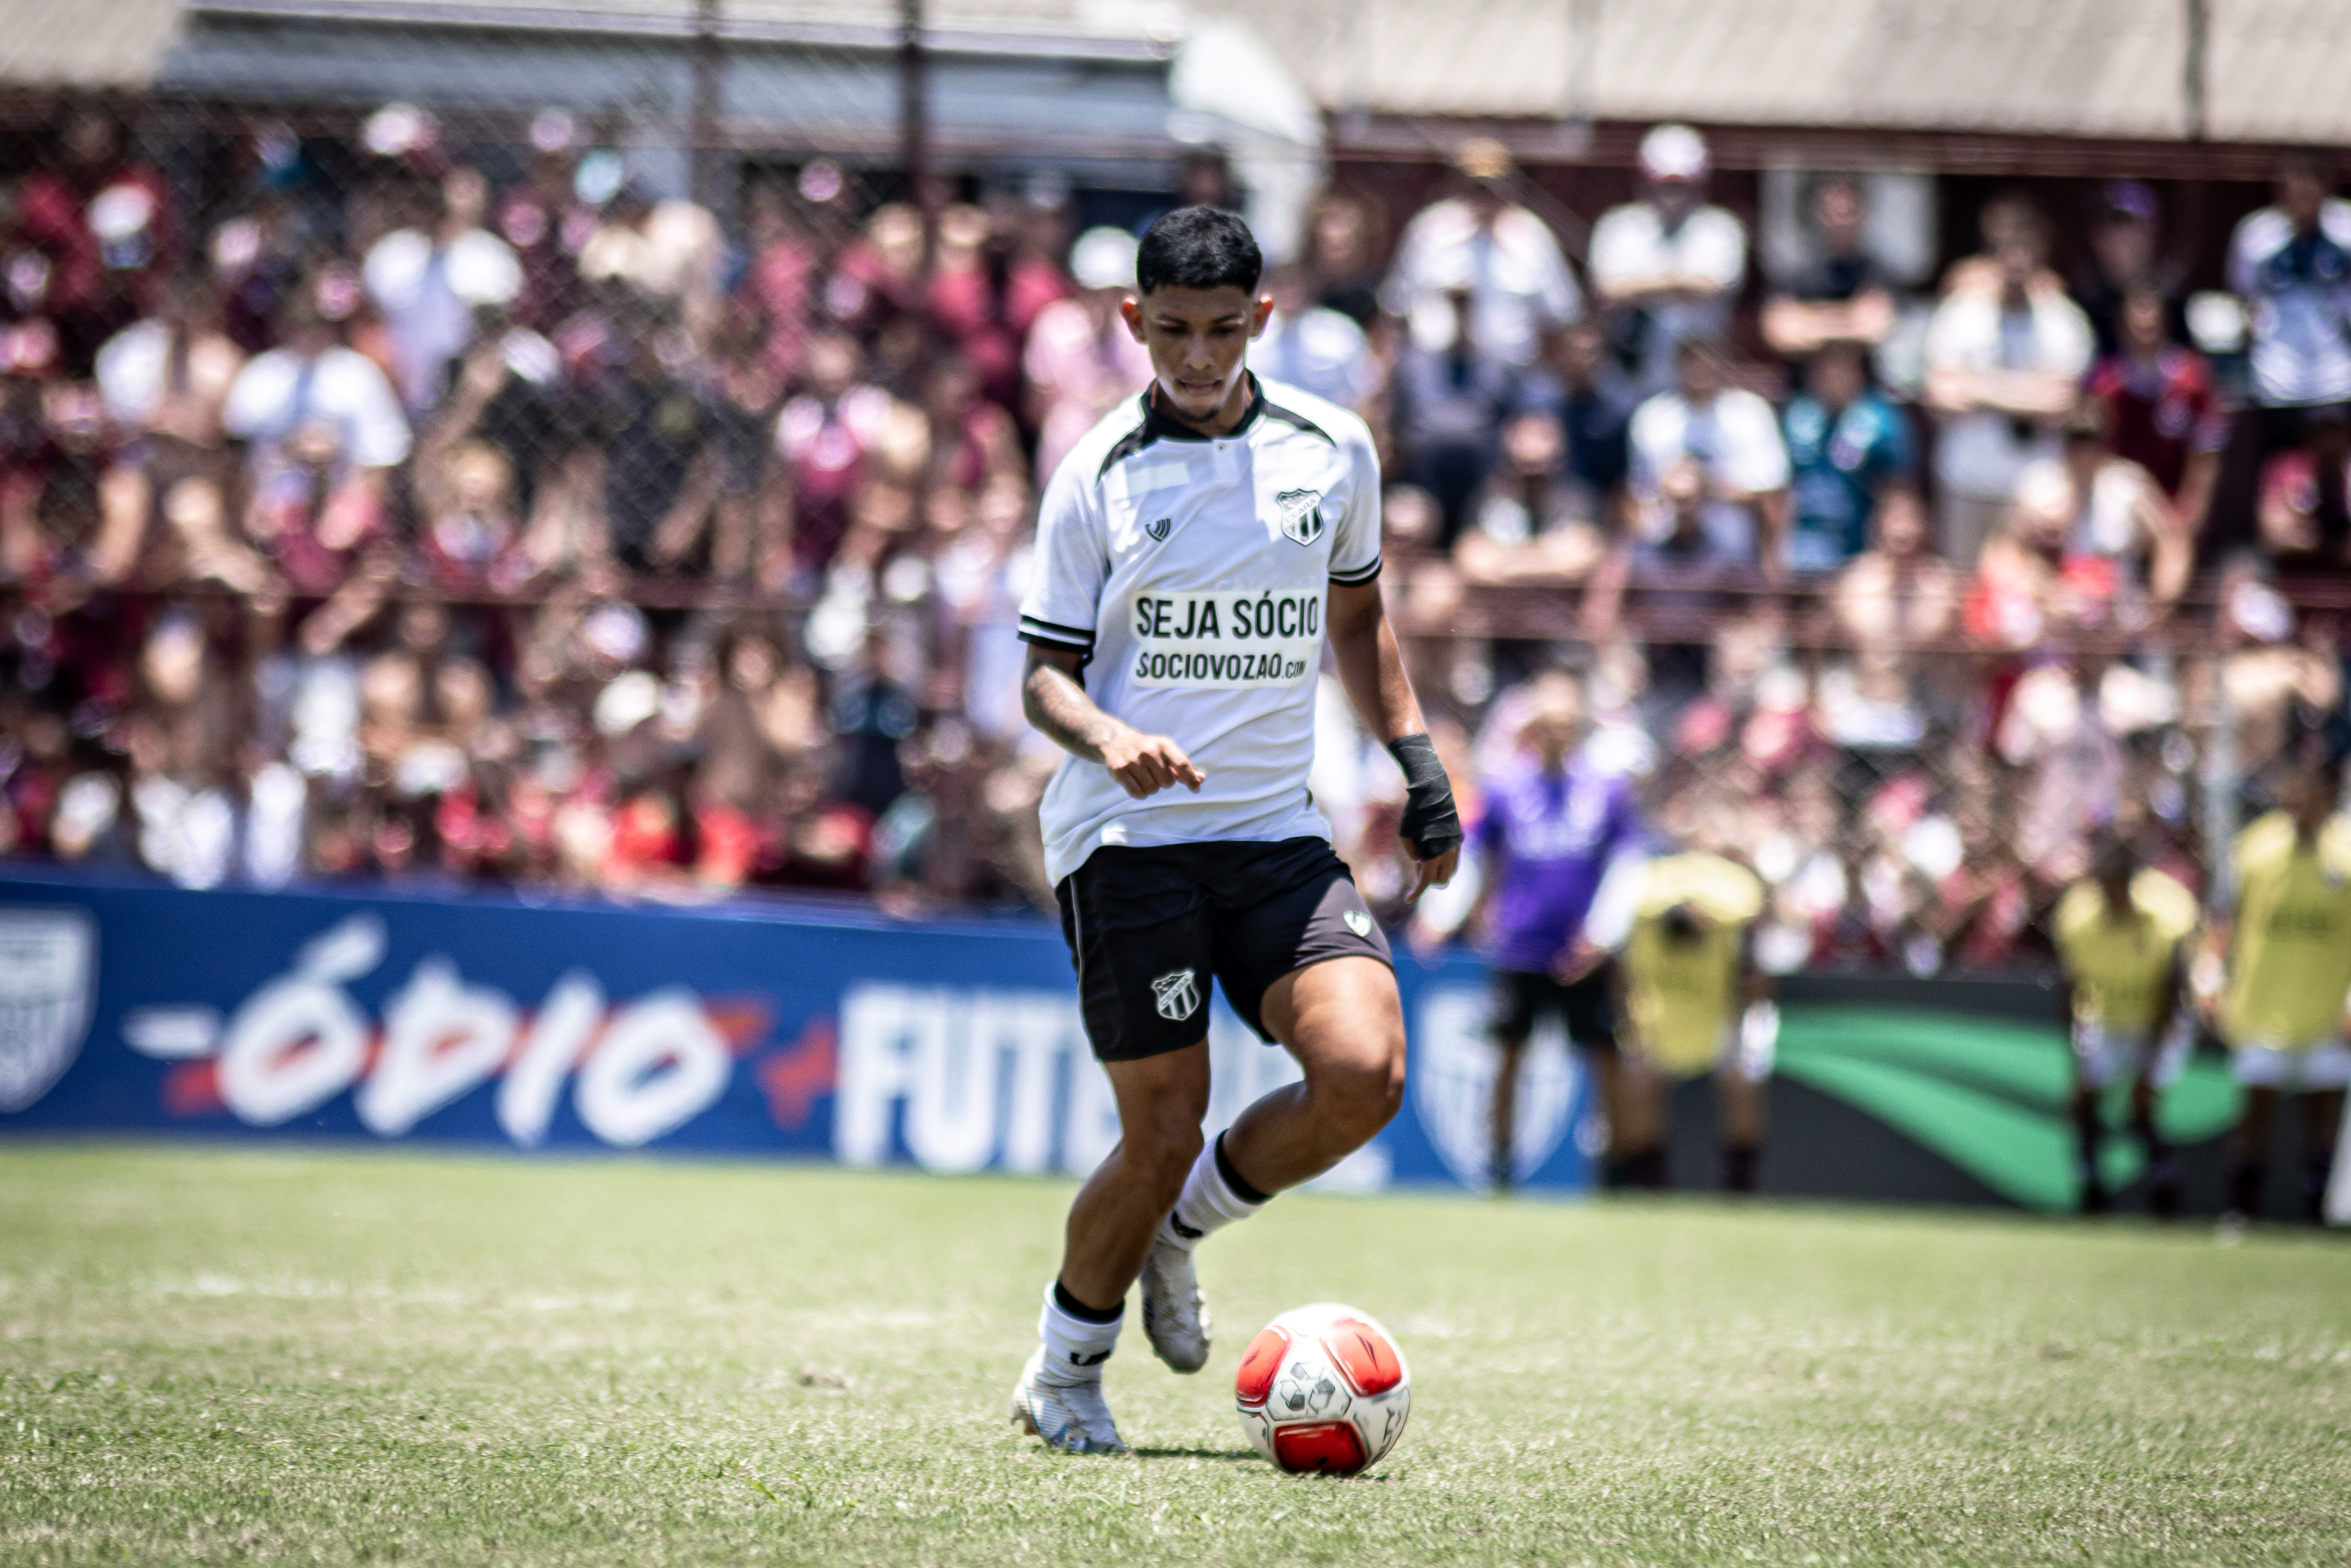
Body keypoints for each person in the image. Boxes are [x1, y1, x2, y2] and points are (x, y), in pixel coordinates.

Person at [1007, 206, 1460, 1453]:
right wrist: (1108, 739)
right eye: (1170, 332)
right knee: (1156, 1130)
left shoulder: (1333, 449)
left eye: (1218, 331)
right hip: (1126, 840)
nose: (1194, 357)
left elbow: (1358, 621)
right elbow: (1042, 675)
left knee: (1365, 1071)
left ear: (1261, 320)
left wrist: (1417, 763)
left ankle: (1179, 1229)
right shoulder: (1095, 473)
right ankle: (1063, 1371)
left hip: (1270, 827)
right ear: (1130, 322)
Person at [1434, 672, 1642, 1190]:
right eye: (1548, 724)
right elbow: (1478, 856)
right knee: (1507, 1053)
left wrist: (1601, 934)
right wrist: (1440, 917)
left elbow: (1628, 861)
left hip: (1584, 950)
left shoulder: (1607, 789)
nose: (1557, 733)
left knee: (1604, 1056)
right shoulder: (1507, 787)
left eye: (1566, 724)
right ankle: (1498, 1167)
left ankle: (1619, 1170)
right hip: (1520, 946)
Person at [2215, 716, 2351, 1225]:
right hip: (2260, 1003)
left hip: (2326, 1010)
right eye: (2295, 784)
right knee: (2254, 1114)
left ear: (2330, 791)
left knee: (2321, 1121)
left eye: (2312, 786)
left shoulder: (2348, 849)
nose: (2299, 795)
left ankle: (2314, 1217)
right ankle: (2240, 1213)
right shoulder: (2254, 846)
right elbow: (2225, 921)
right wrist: (2213, 979)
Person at [1922, 203, 2095, 567]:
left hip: (2037, 489)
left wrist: (1977, 385)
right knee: (1966, 596)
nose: (2016, 259)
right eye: (2007, 249)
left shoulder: (2064, 321)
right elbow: (1941, 396)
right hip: (1967, 481)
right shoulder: (1960, 314)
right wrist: (2029, 391)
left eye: (2026, 249)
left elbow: (2062, 403)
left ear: (2041, 253)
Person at [2210, 154, 2351, 563]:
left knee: (2335, 486)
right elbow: (2241, 302)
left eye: (2312, 181)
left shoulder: (2346, 229)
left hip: (2337, 380)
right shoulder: (2257, 236)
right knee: (2258, 478)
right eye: (2294, 182)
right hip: (2276, 382)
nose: (2303, 192)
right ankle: (2245, 560)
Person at [2051, 834, 2198, 1215]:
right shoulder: (2078, 917)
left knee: (2143, 1105)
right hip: (2105, 1017)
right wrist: (2075, 1061)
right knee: (2084, 1099)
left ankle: (2163, 1185)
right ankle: (2090, 1183)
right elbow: (2072, 989)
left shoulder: (2166, 917)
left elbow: (2172, 995)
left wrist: (2150, 1064)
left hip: (2157, 1021)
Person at [1611, 847, 1770, 1192]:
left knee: (1742, 1086)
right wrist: (1629, 1024)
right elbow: (1623, 978)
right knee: (1639, 1086)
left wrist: (1744, 1028)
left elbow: (1754, 981)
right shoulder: (1644, 923)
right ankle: (1648, 1184)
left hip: (1719, 1018)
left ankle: (1740, 1186)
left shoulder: (1730, 929)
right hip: (1657, 1020)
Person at [1381, 138, 1581, 373]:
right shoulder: (1429, 231)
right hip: (1434, 376)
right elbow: (1395, 308)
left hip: (1510, 375)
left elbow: (1564, 314)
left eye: (1491, 188)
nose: (1484, 198)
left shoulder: (1532, 236)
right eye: (1476, 188)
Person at [1588, 125, 1746, 396]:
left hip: (1700, 386)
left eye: (1681, 186)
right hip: (1627, 381)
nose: (1672, 195)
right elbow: (1607, 290)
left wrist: (1639, 286)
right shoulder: (1618, 227)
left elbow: (1710, 285)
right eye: (1664, 185)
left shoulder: (1721, 229)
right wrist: (1680, 283)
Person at [1628, 335, 1791, 571]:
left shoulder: (1750, 414)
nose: (1700, 371)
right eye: (1692, 362)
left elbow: (1773, 495)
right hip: (1663, 542)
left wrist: (1707, 486)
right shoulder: (1652, 417)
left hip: (1731, 544)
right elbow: (1637, 495)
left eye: (1707, 362)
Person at [2087, 284, 2226, 531]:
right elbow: (2096, 454)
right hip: (2123, 511)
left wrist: (2189, 515)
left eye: (2152, 321)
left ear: (2166, 323)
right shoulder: (2105, 385)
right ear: (2122, 326)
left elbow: (2206, 455)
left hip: (2176, 509)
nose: (2145, 328)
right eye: (2137, 321)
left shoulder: (2193, 380)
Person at [1781, 338, 1914, 576]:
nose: (1832, 376)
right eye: (1823, 367)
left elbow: (1897, 492)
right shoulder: (1796, 417)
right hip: (1803, 545)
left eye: (1842, 367)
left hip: (1858, 548)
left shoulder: (1881, 421)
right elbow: (1782, 491)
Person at [1761, 175, 1899, 360]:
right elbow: (1782, 331)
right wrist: (1852, 317)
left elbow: (1877, 326)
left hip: (1866, 387)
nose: (1840, 220)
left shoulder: (1877, 271)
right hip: (1803, 386)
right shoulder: (1799, 269)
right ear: (1818, 213)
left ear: (1862, 214)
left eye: (1848, 211)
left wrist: (1808, 319)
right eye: (1832, 211)